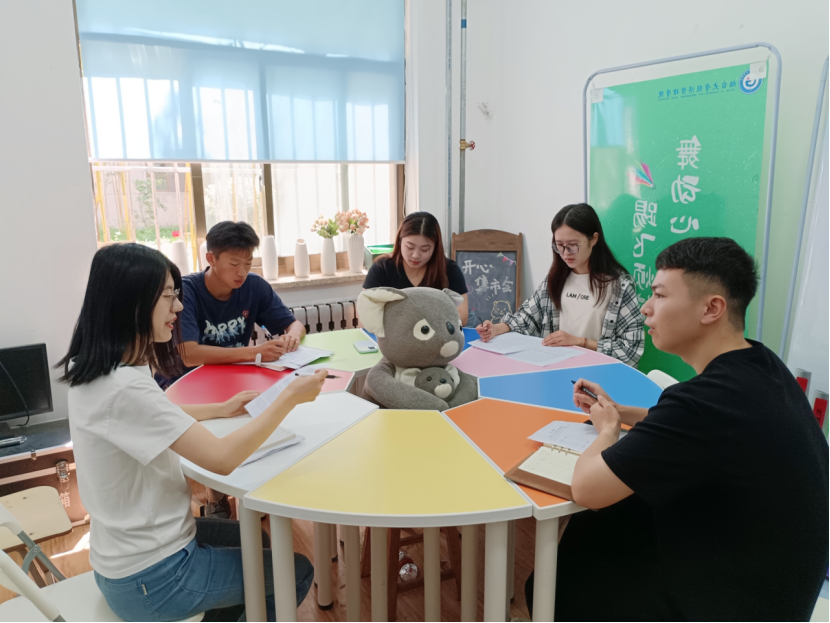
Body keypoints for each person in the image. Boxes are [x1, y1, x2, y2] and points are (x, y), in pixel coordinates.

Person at [525, 237, 829, 621]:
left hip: (732, 601)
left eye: (660, 295)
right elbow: (690, 427)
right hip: (774, 584)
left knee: (552, 581)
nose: (647, 308)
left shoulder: (703, 403)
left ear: (711, 308)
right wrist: (621, 411)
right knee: (614, 519)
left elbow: (587, 489)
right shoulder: (761, 363)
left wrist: (608, 430)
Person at [58, 243, 327, 622]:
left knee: (257, 539)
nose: (179, 307)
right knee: (294, 570)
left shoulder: (99, 367)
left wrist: (219, 409)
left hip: (123, 552)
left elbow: (150, 416)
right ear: (132, 303)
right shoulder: (123, 387)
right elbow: (222, 459)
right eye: (168, 297)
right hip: (152, 577)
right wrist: (289, 397)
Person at [476, 203, 644, 366]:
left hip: (598, 372)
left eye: (572, 246)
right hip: (557, 368)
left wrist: (580, 342)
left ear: (593, 239)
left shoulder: (619, 287)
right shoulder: (555, 279)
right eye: (559, 246)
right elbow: (526, 317)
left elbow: (631, 349)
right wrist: (496, 329)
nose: (565, 253)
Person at [179, 221, 305, 369]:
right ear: (211, 259)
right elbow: (188, 355)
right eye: (234, 264)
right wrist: (254, 352)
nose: (242, 272)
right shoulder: (185, 291)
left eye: (248, 263)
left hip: (234, 372)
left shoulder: (254, 286)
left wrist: (293, 336)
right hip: (188, 377)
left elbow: (295, 324)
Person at [363, 211, 470, 325]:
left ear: (435, 247)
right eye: (410, 247)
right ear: (399, 241)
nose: (415, 255)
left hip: (436, 336)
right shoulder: (382, 268)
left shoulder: (449, 270)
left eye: (424, 249)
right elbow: (365, 313)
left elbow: (462, 316)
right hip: (392, 335)